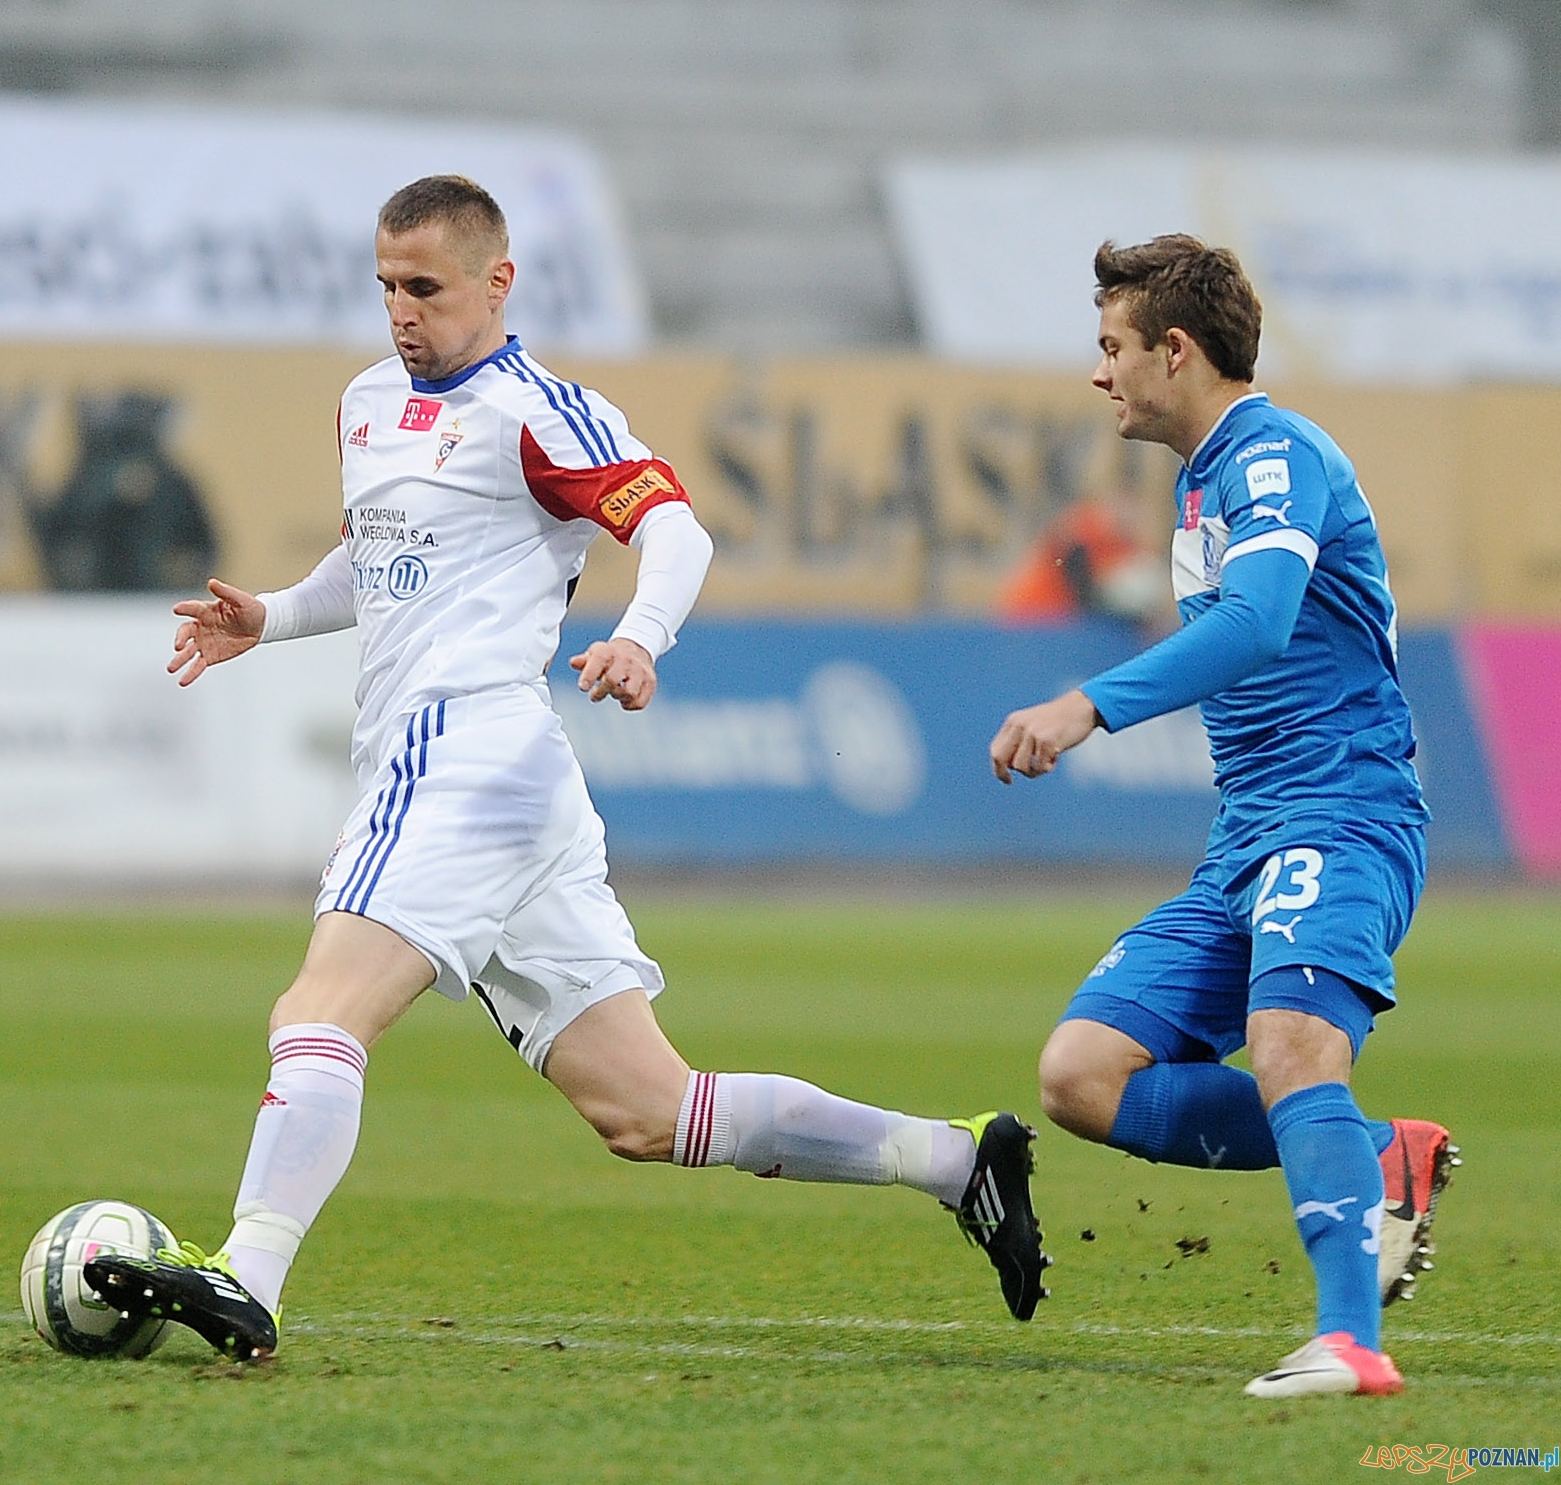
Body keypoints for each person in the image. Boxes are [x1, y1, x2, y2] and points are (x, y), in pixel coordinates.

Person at [85, 174, 1048, 1362]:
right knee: (651, 1109)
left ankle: (250, 1270)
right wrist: (272, 616)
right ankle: (955, 1159)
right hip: (506, 792)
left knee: (318, 1010)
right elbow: (375, 555)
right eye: (386, 286)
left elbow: (674, 525)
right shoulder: (369, 401)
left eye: (425, 287)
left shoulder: (538, 412)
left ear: (497, 282)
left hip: (461, 753)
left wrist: (641, 637)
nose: (402, 310)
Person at [989, 235, 1459, 1400]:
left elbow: (1255, 623)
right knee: (1079, 1074)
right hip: (1246, 833)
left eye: (1112, 346)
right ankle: (1375, 1150)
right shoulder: (1201, 478)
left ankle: (1348, 1340)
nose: (1098, 370)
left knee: (1291, 1046)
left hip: (1339, 810)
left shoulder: (1273, 452)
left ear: (1175, 349)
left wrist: (1087, 703)